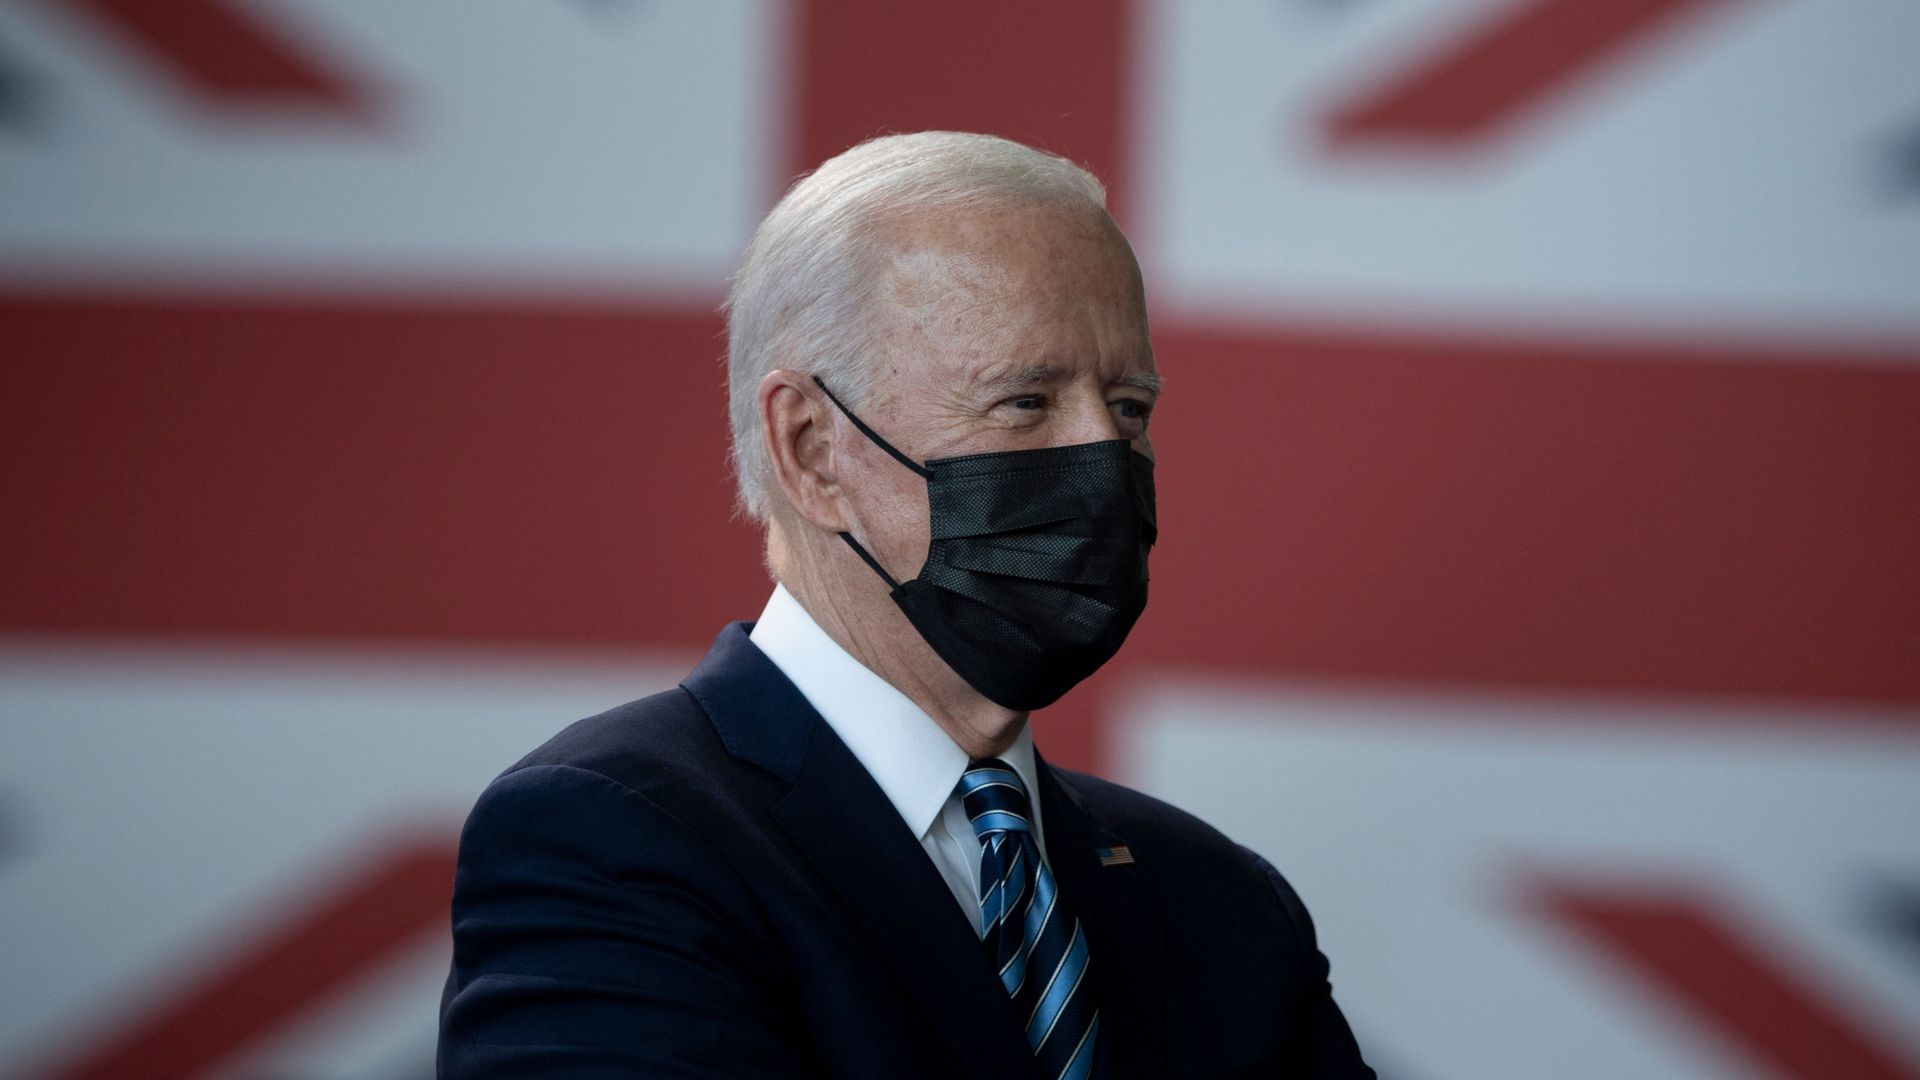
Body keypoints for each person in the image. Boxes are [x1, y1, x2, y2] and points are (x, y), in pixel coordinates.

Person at [438, 131, 1374, 1079]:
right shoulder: (615, 840)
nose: (1103, 458)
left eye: (1129, 407)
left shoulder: (1220, 904)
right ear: (811, 448)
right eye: (1024, 401)